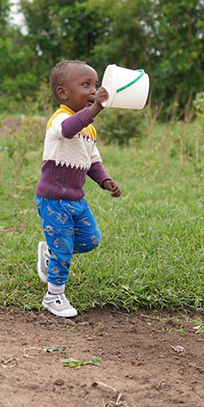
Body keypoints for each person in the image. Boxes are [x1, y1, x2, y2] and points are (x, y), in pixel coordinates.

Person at [35, 60, 121, 317]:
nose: (94, 91)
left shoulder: (89, 128)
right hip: (53, 199)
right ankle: (54, 296)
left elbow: (92, 160)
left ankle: (50, 251)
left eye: (95, 85)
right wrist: (95, 109)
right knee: (64, 248)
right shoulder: (59, 119)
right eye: (86, 85)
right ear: (63, 93)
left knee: (90, 239)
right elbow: (68, 130)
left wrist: (105, 180)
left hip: (75, 198)